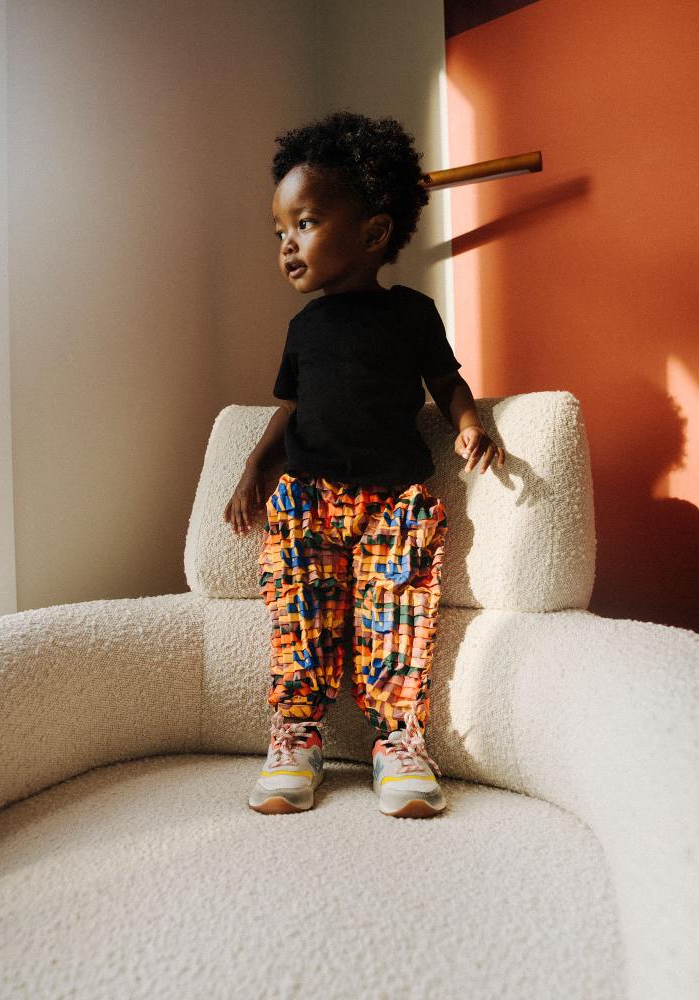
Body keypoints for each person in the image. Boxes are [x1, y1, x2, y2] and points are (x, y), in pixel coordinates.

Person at [222, 110, 504, 818]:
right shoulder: (303, 327)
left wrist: (470, 425)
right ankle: (296, 737)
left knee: (398, 616)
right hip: (307, 499)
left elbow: (445, 383)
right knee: (301, 614)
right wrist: (256, 467)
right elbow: (288, 410)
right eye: (281, 231)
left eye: (306, 224)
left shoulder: (410, 314)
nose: (287, 246)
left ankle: (399, 743)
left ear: (374, 233)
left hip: (395, 502)